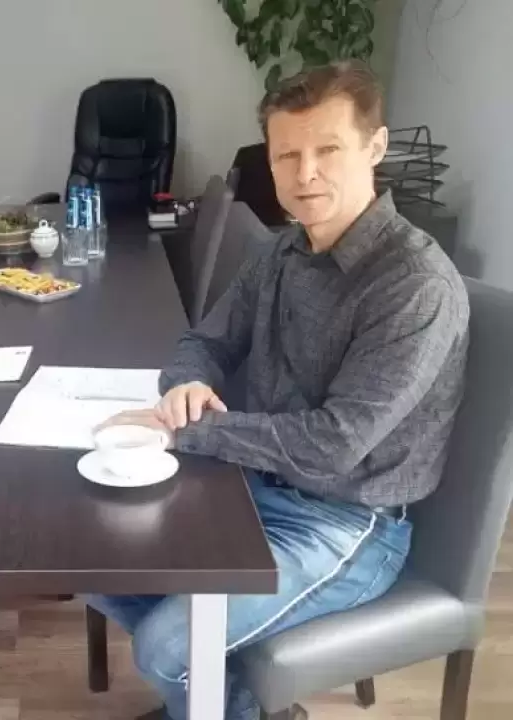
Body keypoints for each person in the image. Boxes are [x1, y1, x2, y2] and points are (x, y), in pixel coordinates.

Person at [91, 60, 470, 720]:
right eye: (286, 155)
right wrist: (186, 385)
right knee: (91, 564)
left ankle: (209, 692)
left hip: (348, 521)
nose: (305, 174)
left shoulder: (414, 285)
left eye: (328, 150)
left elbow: (334, 446)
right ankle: (231, 702)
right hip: (252, 483)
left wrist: (188, 430)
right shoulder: (279, 252)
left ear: (374, 147)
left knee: (166, 649)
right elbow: (204, 341)